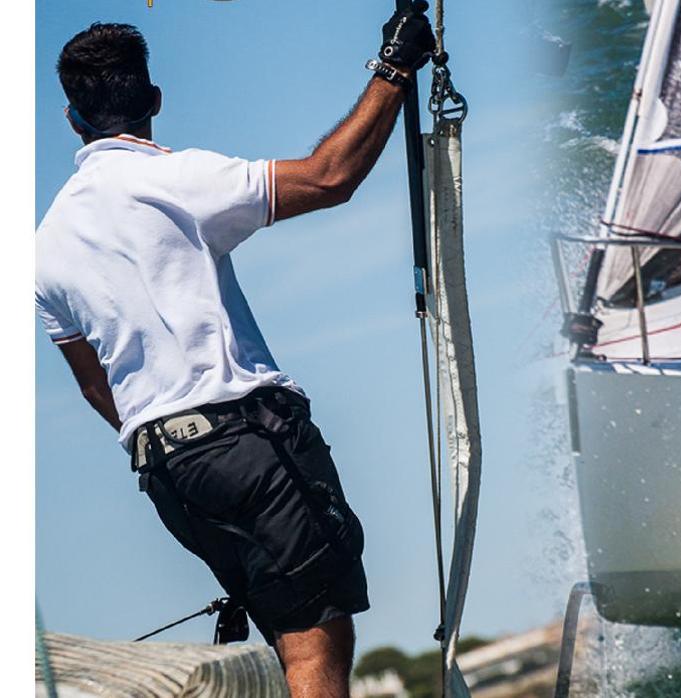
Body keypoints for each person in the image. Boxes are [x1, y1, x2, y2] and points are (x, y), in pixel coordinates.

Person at [36, 5, 435, 697]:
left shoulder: (43, 248)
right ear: (155, 100)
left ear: (72, 118)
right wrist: (395, 67)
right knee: (316, 640)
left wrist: (173, 442)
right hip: (244, 440)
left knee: (289, 633)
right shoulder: (176, 178)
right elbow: (328, 177)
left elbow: (96, 387)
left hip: (167, 471)